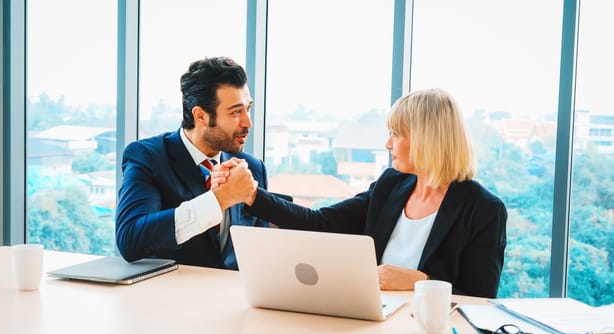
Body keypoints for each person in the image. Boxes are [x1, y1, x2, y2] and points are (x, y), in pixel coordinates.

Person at [214, 88, 507, 298]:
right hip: (375, 317)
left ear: (425, 140)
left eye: (396, 134)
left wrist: (422, 282)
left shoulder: (483, 209)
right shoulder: (391, 185)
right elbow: (321, 223)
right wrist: (252, 194)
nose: (388, 144)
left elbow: (480, 299)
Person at [115, 56, 269, 269]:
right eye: (235, 112)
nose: (247, 123)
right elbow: (130, 238)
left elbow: (259, 250)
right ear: (201, 115)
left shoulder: (252, 168)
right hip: (170, 298)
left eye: (248, 108)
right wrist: (219, 199)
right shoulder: (148, 157)